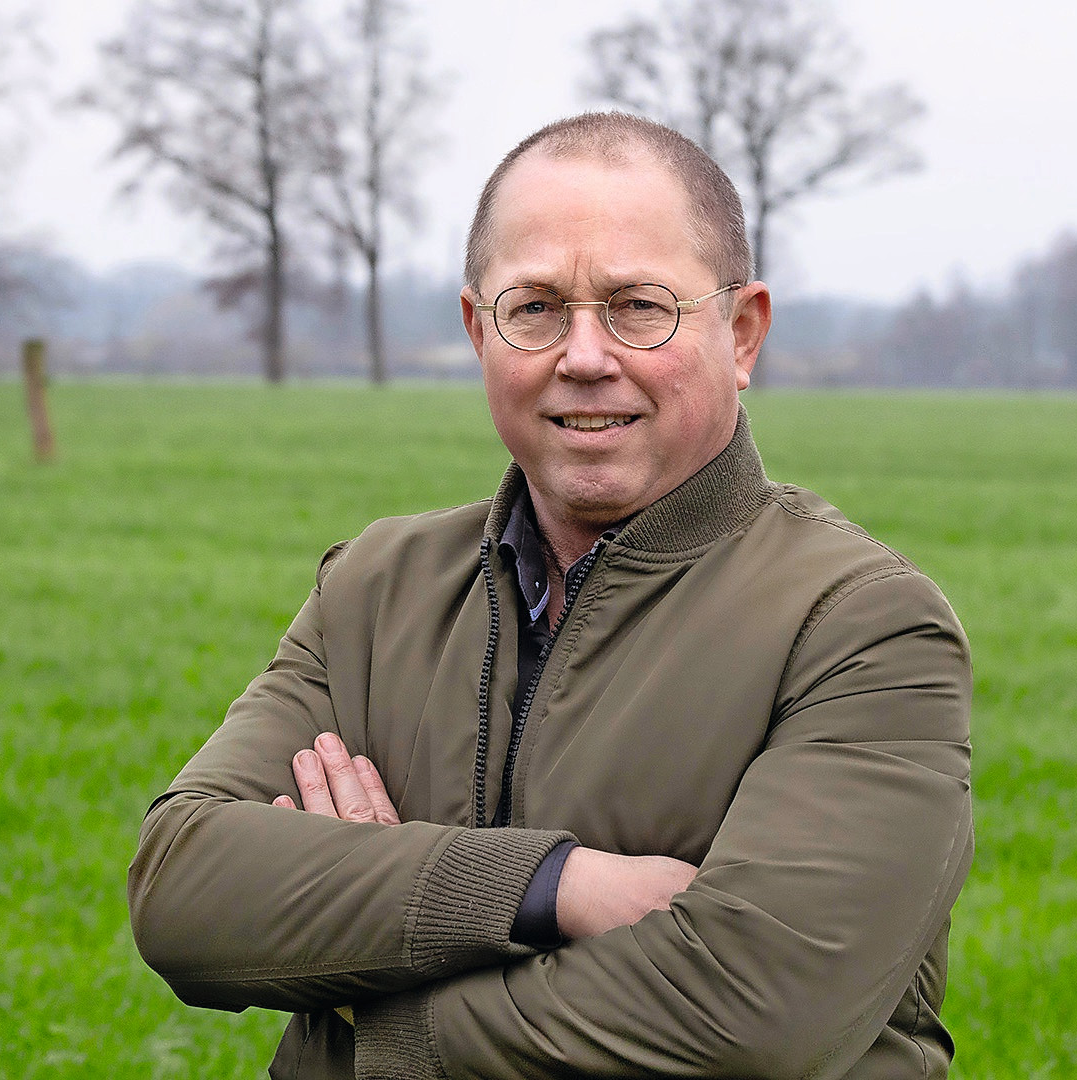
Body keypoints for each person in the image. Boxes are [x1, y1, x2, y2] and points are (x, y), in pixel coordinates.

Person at [128, 112, 973, 1080]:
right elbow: (182, 883)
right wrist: (556, 887)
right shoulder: (375, 589)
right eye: (534, 308)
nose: (582, 354)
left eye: (637, 306)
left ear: (741, 334)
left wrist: (376, 993)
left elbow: (751, 1010)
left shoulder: (859, 627)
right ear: (475, 329)